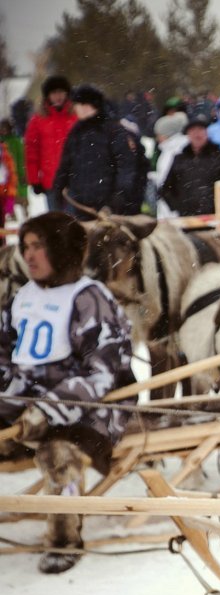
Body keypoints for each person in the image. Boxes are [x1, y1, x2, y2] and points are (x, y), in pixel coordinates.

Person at [0, 212, 134, 573]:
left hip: (89, 411)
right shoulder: (22, 297)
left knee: (58, 454)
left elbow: (103, 373)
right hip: (25, 406)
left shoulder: (89, 299)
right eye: (25, 246)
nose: (29, 256)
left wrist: (48, 410)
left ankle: (65, 539)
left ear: (62, 249)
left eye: (39, 246)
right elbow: (4, 353)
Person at [51, 85, 142, 216]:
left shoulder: (113, 130)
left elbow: (126, 166)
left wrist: (119, 196)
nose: (75, 109)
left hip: (109, 206)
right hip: (80, 204)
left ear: (87, 105)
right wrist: (58, 188)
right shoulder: (77, 131)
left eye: (77, 105)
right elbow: (66, 163)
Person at [159, 114, 220, 216]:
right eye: (193, 131)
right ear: (188, 134)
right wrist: (179, 206)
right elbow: (166, 189)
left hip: (215, 218)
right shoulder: (180, 159)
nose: (197, 134)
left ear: (207, 132)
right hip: (187, 219)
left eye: (200, 129)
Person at [23, 76, 77, 212]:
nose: (58, 96)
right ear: (47, 96)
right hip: (51, 182)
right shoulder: (37, 120)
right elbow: (31, 152)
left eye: (61, 92)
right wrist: (34, 179)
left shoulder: (76, 116)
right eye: (54, 93)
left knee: (74, 223)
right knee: (55, 224)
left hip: (75, 181)